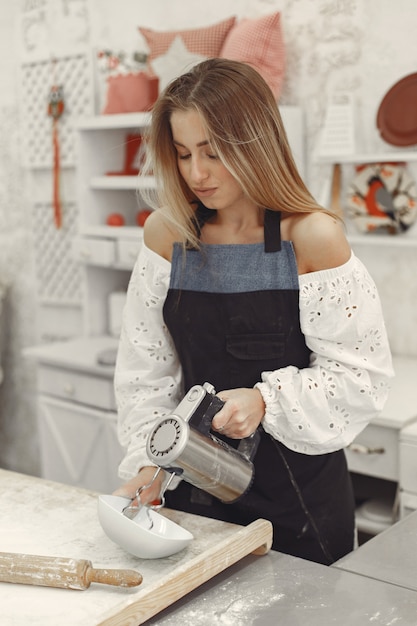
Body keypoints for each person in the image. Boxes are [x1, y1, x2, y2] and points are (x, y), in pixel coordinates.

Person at [113, 58, 394, 565]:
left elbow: (361, 379)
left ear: (255, 144)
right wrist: (147, 465)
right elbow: (147, 375)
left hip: (299, 507)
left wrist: (265, 400)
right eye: (182, 154)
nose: (196, 173)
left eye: (214, 153)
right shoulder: (166, 236)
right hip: (192, 496)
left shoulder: (311, 237)